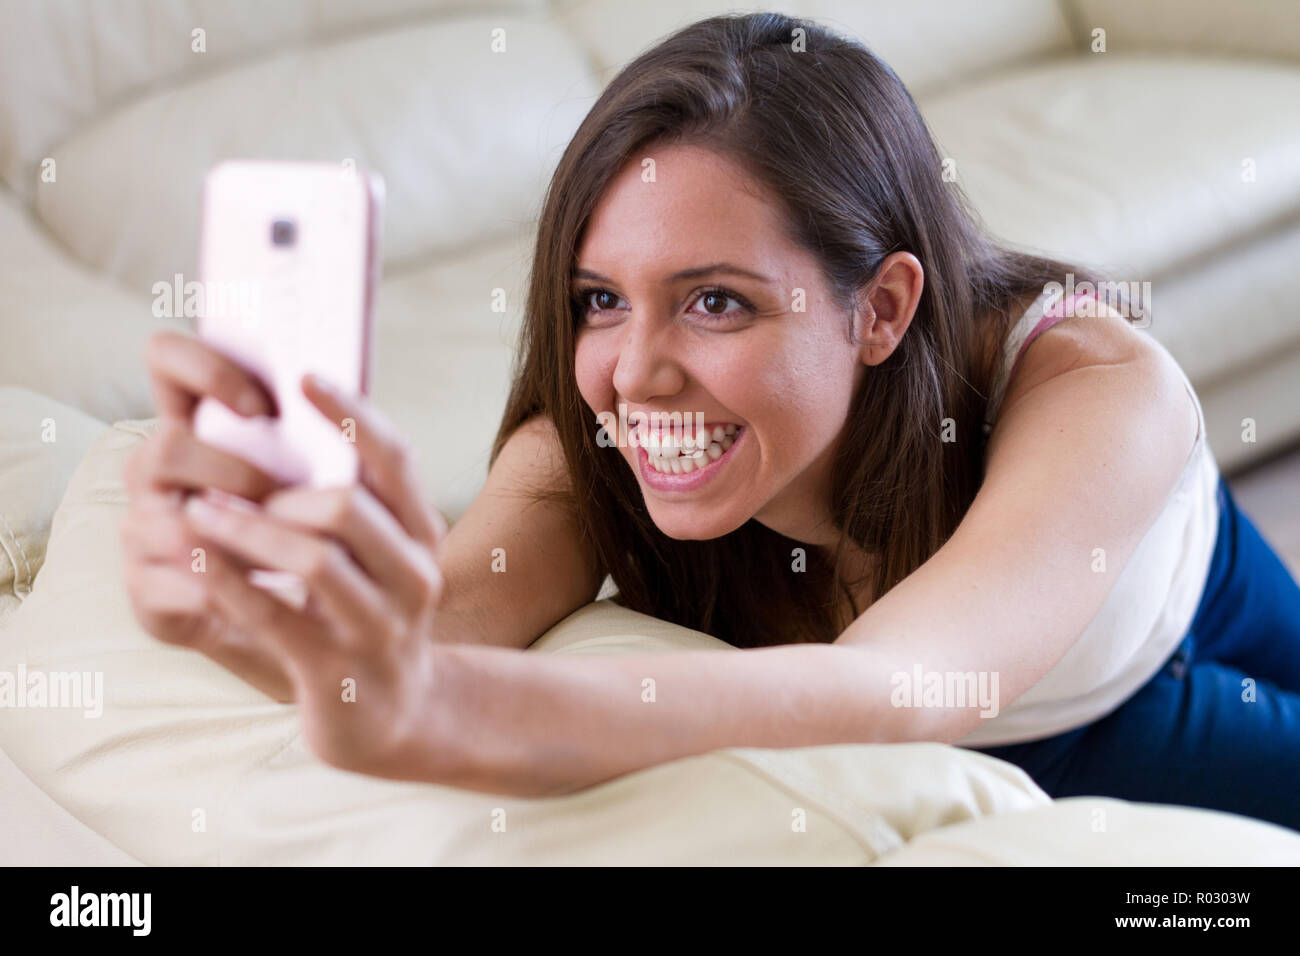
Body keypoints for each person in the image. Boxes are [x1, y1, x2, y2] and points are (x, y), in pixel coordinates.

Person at [121, 12, 1300, 828]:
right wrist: (236, 603)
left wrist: (428, 713)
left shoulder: (1092, 379)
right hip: (1007, 732)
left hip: (1174, 628)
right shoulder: (590, 432)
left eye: (715, 301)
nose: (636, 373)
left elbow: (898, 688)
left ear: (881, 307)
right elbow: (440, 625)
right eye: (598, 301)